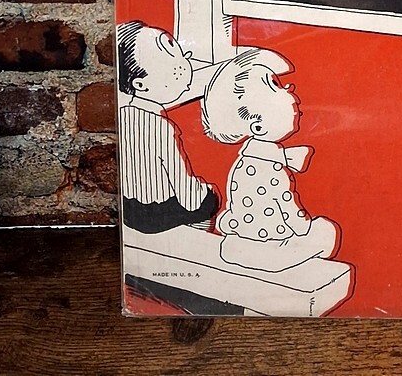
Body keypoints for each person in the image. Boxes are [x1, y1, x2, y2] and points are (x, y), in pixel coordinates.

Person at [201, 49, 339, 272]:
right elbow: (286, 205)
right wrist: (304, 228)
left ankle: (241, 250)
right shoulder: (268, 167)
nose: (289, 88)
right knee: (325, 233)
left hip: (243, 237)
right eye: (274, 85)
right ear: (258, 126)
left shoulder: (245, 162)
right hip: (269, 242)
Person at [117, 21, 219, 233]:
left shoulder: (124, 115)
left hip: (128, 207)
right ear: (140, 84)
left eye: (179, 52)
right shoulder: (161, 127)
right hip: (155, 214)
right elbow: (183, 187)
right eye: (169, 62)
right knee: (210, 199)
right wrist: (204, 194)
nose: (184, 63)